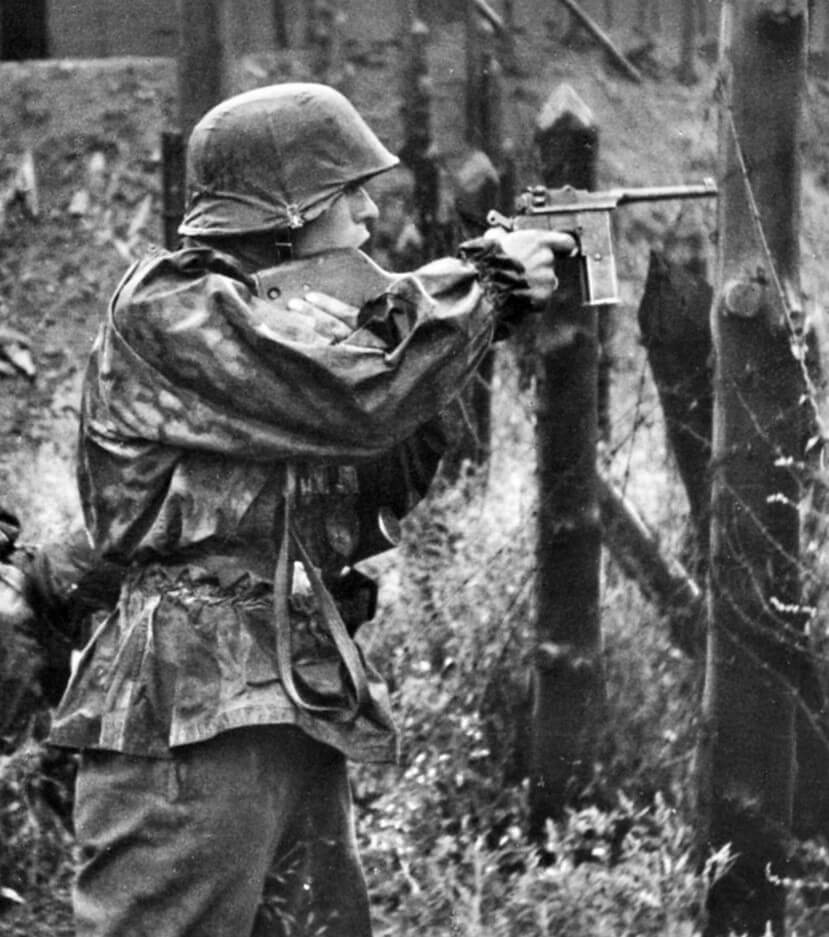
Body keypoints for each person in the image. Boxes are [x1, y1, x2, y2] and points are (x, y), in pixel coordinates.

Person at [3, 83, 573, 936]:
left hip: (293, 694)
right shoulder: (167, 307)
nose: (370, 216)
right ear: (286, 211)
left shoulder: (287, 337)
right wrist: (481, 286)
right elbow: (355, 399)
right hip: (184, 708)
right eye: (349, 194)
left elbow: (384, 470)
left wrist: (427, 340)